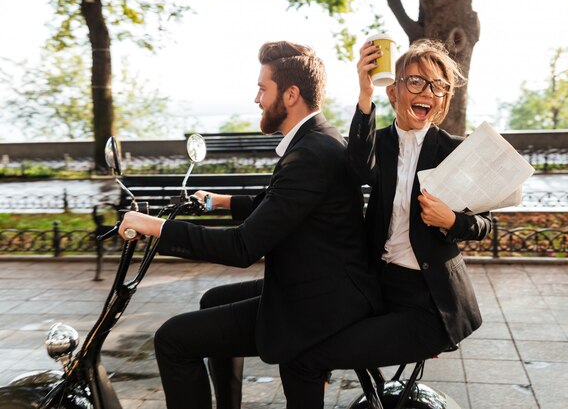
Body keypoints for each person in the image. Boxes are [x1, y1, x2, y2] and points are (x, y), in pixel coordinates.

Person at [118, 41, 382, 409]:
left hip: (317, 305)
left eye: (262, 88)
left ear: (290, 95)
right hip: (325, 282)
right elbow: (282, 204)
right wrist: (220, 201)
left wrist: (155, 227)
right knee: (213, 299)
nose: (256, 98)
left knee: (173, 339)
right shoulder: (320, 138)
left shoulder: (308, 154)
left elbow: (242, 248)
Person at [277, 39, 492, 408]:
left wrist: (452, 220)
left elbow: (486, 224)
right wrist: (363, 92)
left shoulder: (455, 150)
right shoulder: (381, 143)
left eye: (439, 86)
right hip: (377, 291)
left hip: (429, 306)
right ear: (393, 91)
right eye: (417, 82)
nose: (429, 92)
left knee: (304, 360)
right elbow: (360, 166)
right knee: (297, 337)